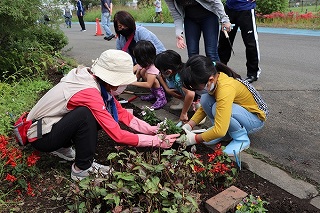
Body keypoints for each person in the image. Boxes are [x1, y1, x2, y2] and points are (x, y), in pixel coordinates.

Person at [26, 49, 180, 181]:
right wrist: (156, 142)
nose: (124, 85)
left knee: (95, 115)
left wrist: (150, 129)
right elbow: (117, 135)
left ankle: (63, 147)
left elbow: (120, 112)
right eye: (123, 81)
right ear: (111, 80)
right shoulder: (90, 92)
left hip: (47, 127)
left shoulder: (93, 80)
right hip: (40, 136)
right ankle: (82, 169)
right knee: (85, 115)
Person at [176, 55, 268, 156]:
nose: (196, 91)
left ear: (210, 79)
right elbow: (203, 108)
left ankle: (241, 139)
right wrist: (190, 125)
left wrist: (195, 139)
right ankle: (227, 134)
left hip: (255, 119)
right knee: (205, 99)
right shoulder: (215, 81)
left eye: (197, 88)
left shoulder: (225, 88)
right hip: (241, 113)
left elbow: (219, 130)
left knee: (216, 109)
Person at [164, 0, 231, 61]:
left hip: (209, 17)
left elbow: (215, 1)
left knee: (211, 53)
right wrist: (179, 34)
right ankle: (195, 74)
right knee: (192, 54)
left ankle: (218, 73)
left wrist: (224, 19)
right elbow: (176, 16)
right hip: (190, 19)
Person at [218, 0, 261, 83]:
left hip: (246, 9)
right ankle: (221, 69)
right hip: (229, 9)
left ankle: (253, 73)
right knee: (224, 41)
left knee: (250, 43)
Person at [154, 50, 200, 122]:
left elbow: (191, 94)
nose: (159, 72)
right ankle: (184, 103)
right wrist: (167, 89)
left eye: (160, 70)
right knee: (174, 88)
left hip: (199, 96)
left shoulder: (179, 78)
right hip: (185, 92)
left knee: (192, 98)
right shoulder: (176, 69)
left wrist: (183, 113)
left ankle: (199, 111)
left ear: (169, 71)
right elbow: (159, 76)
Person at [131, 40, 167, 109]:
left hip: (160, 83)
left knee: (152, 78)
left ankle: (161, 98)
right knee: (142, 71)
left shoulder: (153, 68)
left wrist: (132, 83)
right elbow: (137, 75)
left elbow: (148, 84)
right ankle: (154, 94)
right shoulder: (144, 64)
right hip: (151, 82)